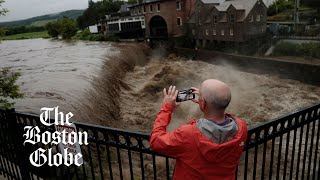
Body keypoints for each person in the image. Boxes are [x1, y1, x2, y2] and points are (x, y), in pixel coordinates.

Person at [150, 79, 248, 180]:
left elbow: (155, 141)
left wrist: (166, 108)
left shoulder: (188, 134)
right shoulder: (241, 128)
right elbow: (219, 116)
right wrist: (206, 104)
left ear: (202, 102)